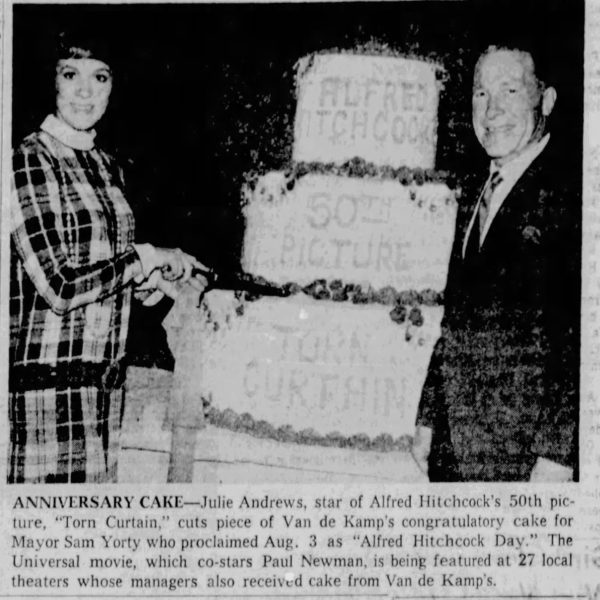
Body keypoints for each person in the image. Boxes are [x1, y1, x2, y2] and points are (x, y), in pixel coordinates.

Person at [9, 32, 207, 483]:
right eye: (70, 74)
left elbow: (107, 273)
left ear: (113, 87)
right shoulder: (26, 161)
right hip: (44, 398)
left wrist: (150, 283)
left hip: (103, 400)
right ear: (52, 82)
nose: (84, 91)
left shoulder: (107, 167)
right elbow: (59, 287)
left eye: (99, 77)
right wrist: (146, 256)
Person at [412, 44, 580, 482]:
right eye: (482, 94)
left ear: (546, 100)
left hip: (524, 463)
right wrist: (429, 418)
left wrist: (559, 455)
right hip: (455, 453)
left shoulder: (572, 195)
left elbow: (578, 338)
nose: (492, 111)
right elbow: (456, 319)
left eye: (510, 90)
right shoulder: (475, 189)